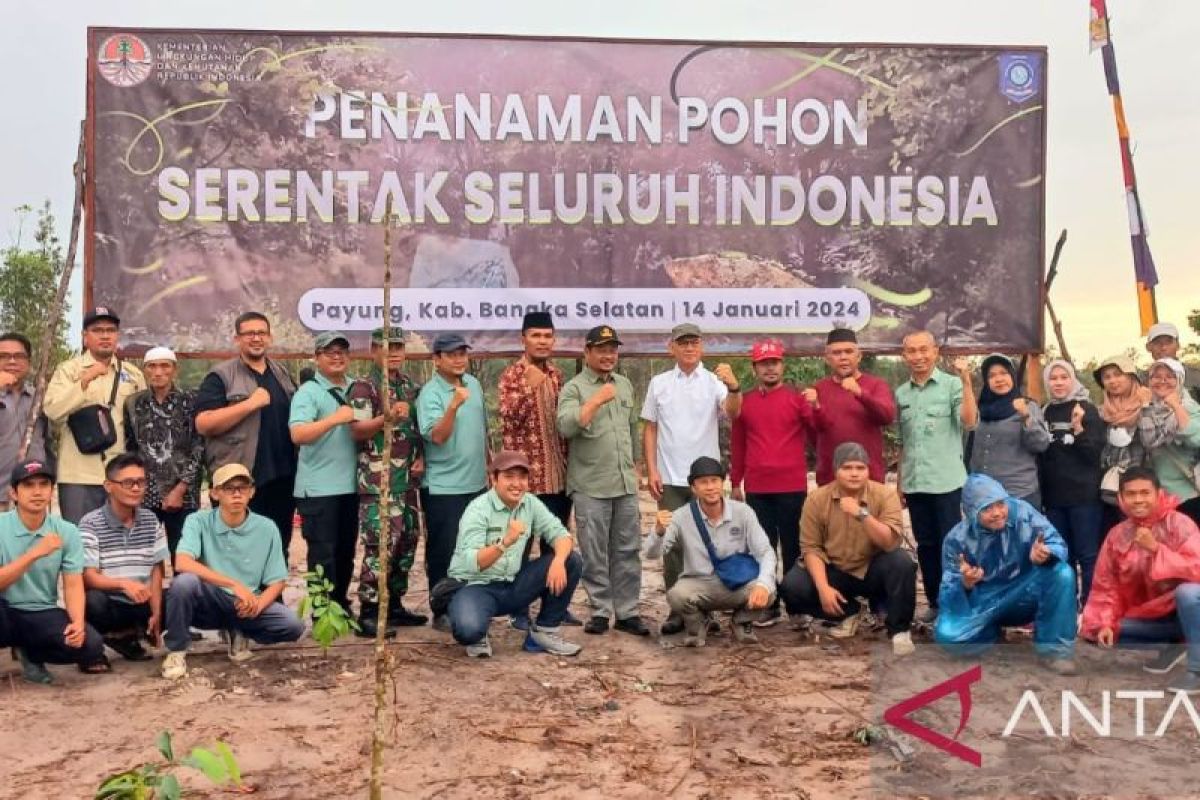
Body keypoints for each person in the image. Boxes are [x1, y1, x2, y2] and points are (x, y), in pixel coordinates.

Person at [641, 323, 741, 635]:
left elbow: (733, 414)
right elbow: (650, 427)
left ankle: (706, 610)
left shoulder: (714, 381)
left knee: (709, 543)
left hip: (706, 480)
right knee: (672, 545)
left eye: (694, 342)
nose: (688, 348)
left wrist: (734, 387)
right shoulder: (659, 383)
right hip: (669, 476)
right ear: (671, 347)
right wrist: (651, 469)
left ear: (702, 347)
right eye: (682, 343)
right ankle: (678, 610)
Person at [160, 463, 304, 680]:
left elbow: (277, 580)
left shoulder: (266, 527)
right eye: (228, 488)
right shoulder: (198, 520)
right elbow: (182, 562)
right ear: (215, 493)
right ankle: (177, 651)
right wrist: (234, 585)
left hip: (245, 603)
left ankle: (239, 630)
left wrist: (258, 605)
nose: (237, 494)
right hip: (210, 597)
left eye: (242, 488)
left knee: (292, 625)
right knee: (184, 583)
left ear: (252, 492)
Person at [445, 450, 584, 658]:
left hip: (512, 584)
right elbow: (474, 563)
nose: (517, 484)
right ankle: (478, 631)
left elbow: (561, 535)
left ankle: (543, 633)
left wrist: (558, 560)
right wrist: (505, 542)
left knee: (570, 561)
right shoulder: (478, 509)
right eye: (509, 477)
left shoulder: (530, 503)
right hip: (476, 585)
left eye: (522, 477)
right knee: (468, 630)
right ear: (494, 479)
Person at [781, 443, 917, 655]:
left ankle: (899, 630)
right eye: (847, 468)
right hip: (835, 570)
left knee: (902, 563)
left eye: (860, 468)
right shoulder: (817, 499)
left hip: (872, 569)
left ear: (868, 470)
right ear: (836, 471)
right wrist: (823, 588)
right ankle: (848, 613)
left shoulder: (884, 495)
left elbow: (890, 542)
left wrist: (862, 515)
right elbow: (811, 547)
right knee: (792, 586)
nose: (854, 474)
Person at [934, 473, 1077, 674]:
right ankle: (990, 633)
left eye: (1001, 504)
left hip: (1026, 591)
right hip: (985, 602)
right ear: (971, 511)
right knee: (948, 636)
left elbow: (1056, 543)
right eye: (987, 508)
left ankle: (1055, 650)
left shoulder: (1024, 514)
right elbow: (948, 599)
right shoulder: (956, 539)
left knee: (1062, 573)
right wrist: (965, 584)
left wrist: (1044, 555)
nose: (997, 513)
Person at [557, 326, 649, 636]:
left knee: (627, 550)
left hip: (624, 484)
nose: (608, 355)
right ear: (587, 353)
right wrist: (595, 401)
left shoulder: (624, 385)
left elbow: (631, 427)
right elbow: (567, 427)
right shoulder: (574, 388)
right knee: (594, 552)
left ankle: (627, 611)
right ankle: (600, 609)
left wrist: (637, 466)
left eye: (613, 349)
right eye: (601, 349)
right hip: (590, 485)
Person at [1081, 467, 1200, 694]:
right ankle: (1174, 645)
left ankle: (1197, 670)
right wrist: (1106, 622)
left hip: (1188, 608)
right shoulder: (1117, 535)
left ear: (1158, 493)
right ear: (1121, 499)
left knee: (1188, 593)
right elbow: (1106, 585)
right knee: (1095, 629)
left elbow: (1197, 568)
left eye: (1145, 493)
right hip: (1153, 613)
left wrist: (1156, 549)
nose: (1138, 500)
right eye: (1131, 494)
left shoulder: (1180, 524)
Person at [497, 311, 579, 629]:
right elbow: (507, 419)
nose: (542, 341)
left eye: (547, 336)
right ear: (523, 339)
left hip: (558, 477)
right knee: (519, 547)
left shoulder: (558, 376)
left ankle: (553, 606)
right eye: (536, 336)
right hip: (525, 483)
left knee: (554, 545)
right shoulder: (511, 376)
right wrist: (529, 390)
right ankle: (518, 609)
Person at [193, 311, 299, 557]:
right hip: (238, 479)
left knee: (276, 548)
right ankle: (234, 597)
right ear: (237, 339)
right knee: (234, 551)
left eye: (261, 333)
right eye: (249, 333)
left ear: (270, 338)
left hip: (282, 480)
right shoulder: (220, 376)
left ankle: (273, 597)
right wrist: (249, 404)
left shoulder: (282, 374)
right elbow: (204, 424)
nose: (256, 338)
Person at [730, 338, 815, 627]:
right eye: (764, 363)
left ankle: (796, 606)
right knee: (763, 547)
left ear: (782, 365)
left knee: (793, 547)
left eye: (774, 362)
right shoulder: (746, 402)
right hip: (757, 487)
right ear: (754, 368)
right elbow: (738, 444)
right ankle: (768, 602)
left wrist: (812, 407)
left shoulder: (797, 398)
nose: (770, 368)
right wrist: (735, 482)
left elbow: (817, 431)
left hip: (792, 485)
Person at [348, 326, 427, 635]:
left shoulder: (410, 386)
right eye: (387, 346)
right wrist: (386, 418)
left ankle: (393, 605)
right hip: (378, 483)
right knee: (380, 546)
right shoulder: (364, 387)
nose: (394, 352)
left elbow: (415, 429)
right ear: (373, 350)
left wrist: (420, 454)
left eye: (398, 346)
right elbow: (357, 430)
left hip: (407, 481)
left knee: (407, 541)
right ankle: (369, 611)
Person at [647, 457, 775, 646]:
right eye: (703, 482)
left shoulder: (743, 512)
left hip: (737, 584)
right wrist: (658, 531)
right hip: (700, 584)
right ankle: (700, 622)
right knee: (676, 595)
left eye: (715, 481)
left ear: (723, 483)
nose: (710, 487)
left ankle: (741, 621)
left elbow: (765, 551)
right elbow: (651, 554)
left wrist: (763, 584)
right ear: (693, 488)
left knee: (768, 591)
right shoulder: (681, 516)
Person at [895, 331, 977, 623]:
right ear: (904, 356)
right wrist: (900, 481)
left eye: (923, 350)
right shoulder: (902, 393)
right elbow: (905, 441)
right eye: (912, 351)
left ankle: (957, 602)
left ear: (936, 351)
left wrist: (967, 381)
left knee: (951, 544)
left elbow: (969, 422)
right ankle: (935, 602)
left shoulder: (952, 384)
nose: (918, 357)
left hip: (946, 482)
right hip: (916, 483)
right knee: (926, 546)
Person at [0, 459, 105, 683]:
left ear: (51, 491)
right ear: (14, 493)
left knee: (91, 646)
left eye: (43, 484)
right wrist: (35, 553)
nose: (37, 492)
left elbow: (73, 583)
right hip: (4, 609)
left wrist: (77, 623)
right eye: (28, 485)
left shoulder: (67, 531)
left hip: (41, 610)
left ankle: (30, 654)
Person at [43, 307, 146, 523]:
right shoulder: (68, 370)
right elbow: (52, 411)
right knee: (80, 542)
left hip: (121, 476)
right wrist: (84, 381)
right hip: (78, 474)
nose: (105, 336)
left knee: (119, 543)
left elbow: (142, 424)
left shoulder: (132, 375)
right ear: (85, 337)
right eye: (98, 330)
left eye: (111, 330)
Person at [416, 332, 488, 631]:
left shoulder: (474, 384)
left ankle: (470, 603)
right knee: (443, 551)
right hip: (443, 487)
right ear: (436, 360)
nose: (459, 359)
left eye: (462, 353)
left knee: (475, 549)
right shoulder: (430, 394)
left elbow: (483, 430)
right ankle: (441, 609)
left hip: (476, 484)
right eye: (451, 354)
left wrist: (491, 464)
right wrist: (453, 405)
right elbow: (438, 436)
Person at [289, 331, 359, 612]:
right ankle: (321, 612)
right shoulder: (308, 392)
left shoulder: (357, 389)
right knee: (322, 555)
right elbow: (298, 433)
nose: (337, 356)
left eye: (342, 351)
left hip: (352, 486)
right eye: (329, 352)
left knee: (346, 552)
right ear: (317, 358)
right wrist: (334, 419)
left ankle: (340, 606)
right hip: (318, 489)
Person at [79, 454, 166, 663]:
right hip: (112, 602)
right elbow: (88, 577)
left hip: (142, 600)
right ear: (109, 486)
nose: (136, 488)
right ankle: (120, 636)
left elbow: (156, 569)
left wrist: (156, 613)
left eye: (141, 482)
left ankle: (138, 633)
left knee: (179, 595)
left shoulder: (151, 519)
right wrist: (124, 584)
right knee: (92, 601)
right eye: (128, 483)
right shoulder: (91, 523)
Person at [123, 346, 203, 560]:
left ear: (174, 370)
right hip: (144, 493)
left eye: (164, 366)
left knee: (184, 557)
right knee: (144, 558)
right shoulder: (133, 403)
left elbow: (198, 446)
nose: (158, 372)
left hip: (184, 495)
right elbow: (131, 448)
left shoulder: (191, 401)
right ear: (145, 370)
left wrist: (181, 488)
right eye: (152, 366)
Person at [1038, 359, 1105, 604]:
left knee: (1088, 555)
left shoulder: (1087, 408)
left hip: (1084, 496)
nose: (1058, 383)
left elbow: (1094, 454)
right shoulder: (1045, 410)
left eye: (1063, 377)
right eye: (1053, 378)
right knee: (1062, 555)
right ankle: (1066, 606)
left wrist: (1078, 428)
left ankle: (1091, 607)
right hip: (1054, 498)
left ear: (1072, 379)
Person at [805, 328, 896, 486]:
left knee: (866, 512)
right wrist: (816, 406)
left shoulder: (876, 385)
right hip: (830, 479)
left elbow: (887, 416)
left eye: (848, 351)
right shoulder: (818, 388)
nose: (843, 357)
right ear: (827, 358)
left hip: (869, 478)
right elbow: (814, 433)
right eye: (837, 353)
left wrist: (860, 393)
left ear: (859, 356)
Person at [968, 353, 1050, 507]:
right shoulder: (979, 409)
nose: (998, 379)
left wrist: (1026, 416)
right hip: (985, 495)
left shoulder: (1028, 406)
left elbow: (1040, 445)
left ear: (1012, 376)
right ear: (986, 381)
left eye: (1004, 373)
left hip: (1019, 494)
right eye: (992, 376)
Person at [1094, 354, 1152, 535]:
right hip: (1109, 492)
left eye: (1118, 374)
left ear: (1131, 377)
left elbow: (1151, 441)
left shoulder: (1148, 405)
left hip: (1141, 491)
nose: (1112, 381)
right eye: (1107, 377)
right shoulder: (1100, 412)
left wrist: (1146, 406)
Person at [1139, 357, 1200, 527]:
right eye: (1156, 376)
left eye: (1170, 376)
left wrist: (1176, 406)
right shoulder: (1146, 407)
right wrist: (1145, 406)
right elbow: (1147, 440)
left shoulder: (1190, 407)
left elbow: (1196, 440)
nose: (1162, 381)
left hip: (1188, 493)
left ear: (1180, 379)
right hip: (1156, 496)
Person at [0, 332, 47, 512]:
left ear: (28, 362)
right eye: (4, 356)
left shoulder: (39, 397)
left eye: (19, 356)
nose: (12, 361)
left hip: (34, 494)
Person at [1145, 322, 1200, 403]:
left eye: (1168, 342)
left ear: (1178, 345)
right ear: (1148, 347)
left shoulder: (1196, 376)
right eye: (1157, 343)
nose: (1163, 347)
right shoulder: (1141, 381)